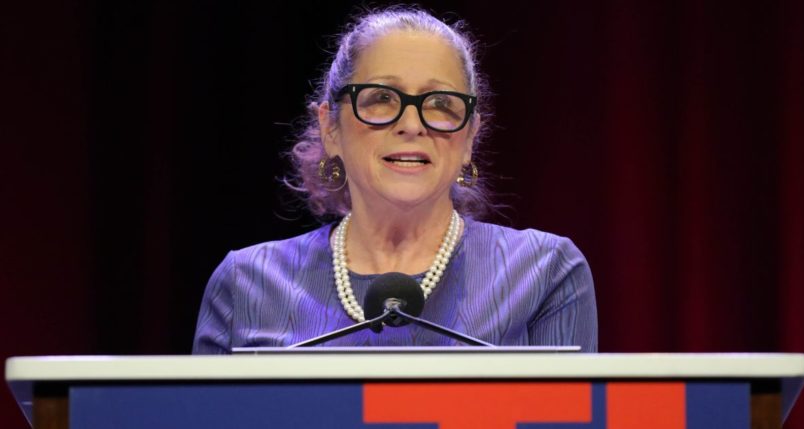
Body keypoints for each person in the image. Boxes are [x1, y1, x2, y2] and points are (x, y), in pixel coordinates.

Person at [193, 6, 597, 353]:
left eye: (440, 104)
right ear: (330, 127)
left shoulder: (545, 274)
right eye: (381, 98)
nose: (410, 124)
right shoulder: (246, 283)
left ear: (470, 135)